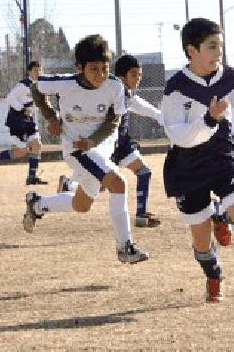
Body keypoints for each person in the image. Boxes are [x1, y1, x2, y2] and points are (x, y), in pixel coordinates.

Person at [22, 34, 150, 264]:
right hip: (76, 150)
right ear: (79, 67)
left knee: (81, 205)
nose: (100, 75)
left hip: (98, 150)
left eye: (104, 68)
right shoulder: (65, 83)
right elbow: (35, 89)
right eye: (93, 69)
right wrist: (52, 117)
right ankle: (125, 247)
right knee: (118, 183)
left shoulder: (115, 87)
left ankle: (38, 203)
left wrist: (93, 141)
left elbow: (114, 121)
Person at [161, 18, 234, 302]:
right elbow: (178, 136)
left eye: (221, 46)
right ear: (192, 51)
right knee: (202, 242)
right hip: (187, 164)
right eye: (212, 46)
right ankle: (214, 275)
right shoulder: (176, 88)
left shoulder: (233, 78)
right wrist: (208, 119)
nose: (219, 53)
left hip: (222, 156)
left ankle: (222, 214)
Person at [57, 54, 165, 228]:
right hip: (106, 147)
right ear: (122, 77)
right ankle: (69, 185)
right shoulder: (112, 91)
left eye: (139, 75)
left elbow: (138, 104)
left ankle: (141, 214)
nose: (138, 79)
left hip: (122, 145)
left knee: (143, 172)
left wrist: (159, 116)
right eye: (133, 74)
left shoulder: (126, 93)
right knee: (98, 187)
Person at [0, 61, 49, 185]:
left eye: (40, 70)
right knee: (23, 150)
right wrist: (22, 109)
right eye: (35, 70)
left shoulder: (40, 87)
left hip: (29, 121)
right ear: (29, 72)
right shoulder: (24, 84)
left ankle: (32, 177)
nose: (38, 73)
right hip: (17, 121)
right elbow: (10, 97)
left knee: (37, 144)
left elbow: (38, 105)